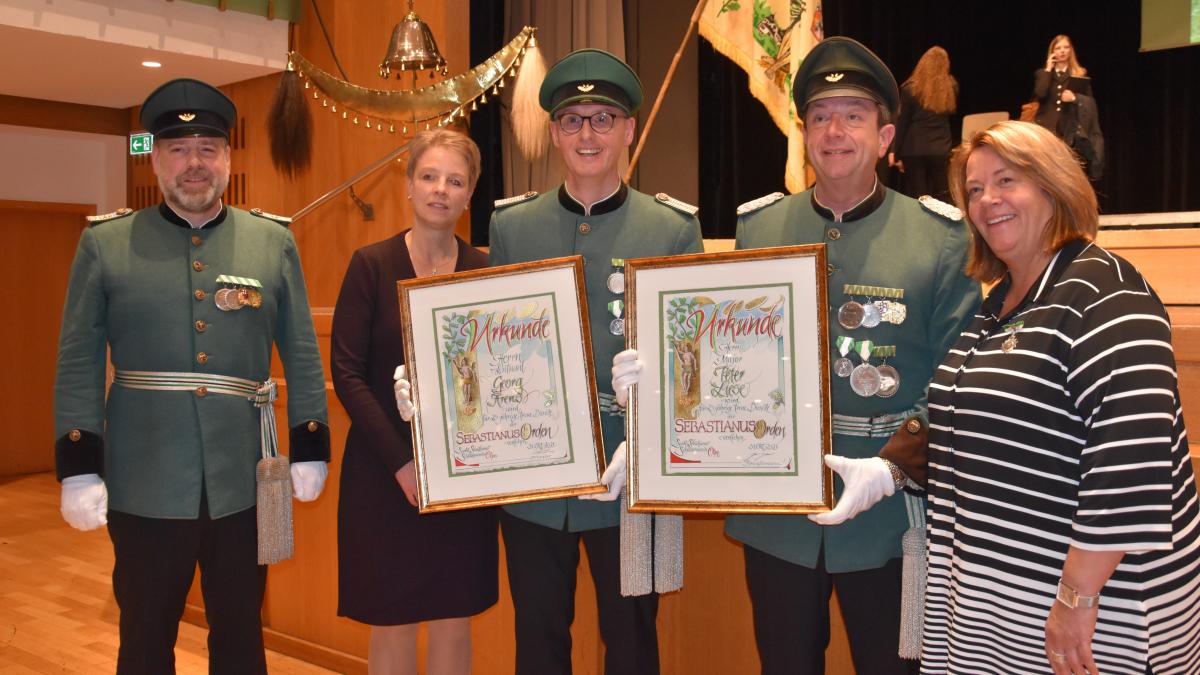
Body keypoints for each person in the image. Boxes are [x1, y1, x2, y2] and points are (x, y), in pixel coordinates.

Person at [676, 36, 978, 673]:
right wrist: (674, 384)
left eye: (853, 115)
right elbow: (736, 355)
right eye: (819, 116)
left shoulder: (940, 238)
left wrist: (893, 468)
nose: (834, 131)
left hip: (889, 517)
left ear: (886, 134)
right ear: (804, 131)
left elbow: (959, 377)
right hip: (778, 516)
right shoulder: (761, 229)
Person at [399, 48, 703, 674]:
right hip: (533, 470)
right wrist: (435, 384)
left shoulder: (672, 230)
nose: (587, 134)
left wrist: (648, 427)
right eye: (572, 120)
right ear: (556, 134)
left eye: (603, 118)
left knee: (632, 638)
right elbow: (492, 337)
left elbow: (692, 364)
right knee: (538, 637)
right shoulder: (514, 226)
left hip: (628, 470)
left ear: (629, 130)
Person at [54, 78, 330, 674]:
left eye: (208, 147)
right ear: (155, 159)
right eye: (179, 149)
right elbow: (78, 357)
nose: (195, 163)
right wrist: (79, 465)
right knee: (146, 637)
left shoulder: (271, 241)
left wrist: (311, 445)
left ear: (228, 158)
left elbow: (302, 352)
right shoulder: (106, 244)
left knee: (239, 636)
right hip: (143, 481)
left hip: (243, 480)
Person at [919, 120, 1200, 674]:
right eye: (974, 189)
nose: (987, 200)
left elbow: (1131, 459)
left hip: (1095, 617)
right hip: (999, 606)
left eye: (1006, 180)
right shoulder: (999, 300)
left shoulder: (1105, 290)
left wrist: (1077, 600)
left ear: (1052, 187)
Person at [331, 129, 496, 675]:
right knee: (393, 618)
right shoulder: (370, 266)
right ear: (408, 185)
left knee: (455, 616)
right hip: (384, 474)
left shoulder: (484, 271)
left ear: (470, 195)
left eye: (455, 180)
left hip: (463, 474)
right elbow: (347, 374)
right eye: (429, 176)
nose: (440, 190)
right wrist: (402, 462)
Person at [889, 45, 957, 200]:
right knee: (943, 195)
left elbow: (902, 121)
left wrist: (895, 152)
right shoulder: (951, 86)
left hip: (914, 150)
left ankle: (921, 224)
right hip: (941, 149)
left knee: (919, 196)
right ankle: (945, 224)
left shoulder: (911, 88)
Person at [1032, 35, 1090, 141]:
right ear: (1052, 52)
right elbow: (1040, 94)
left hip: (1069, 130)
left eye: (1066, 47)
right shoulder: (1043, 74)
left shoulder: (1079, 74)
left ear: (1070, 50)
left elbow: (1088, 103)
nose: (1062, 51)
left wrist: (1074, 99)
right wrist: (1048, 69)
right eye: (1058, 48)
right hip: (1046, 128)